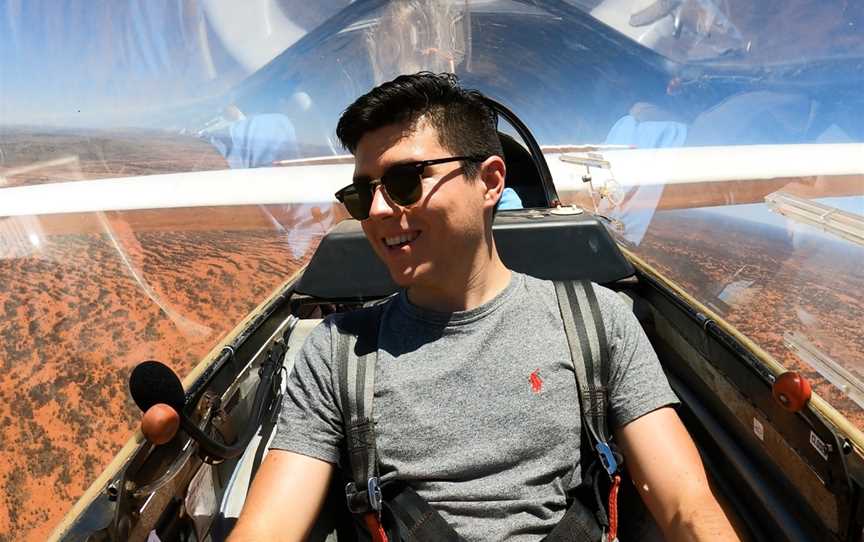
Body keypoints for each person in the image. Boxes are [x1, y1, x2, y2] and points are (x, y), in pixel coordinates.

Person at [230, 72, 737, 541]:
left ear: (491, 181)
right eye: (362, 194)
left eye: (406, 181)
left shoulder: (597, 323)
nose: (380, 211)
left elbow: (686, 505)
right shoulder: (337, 354)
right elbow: (268, 529)